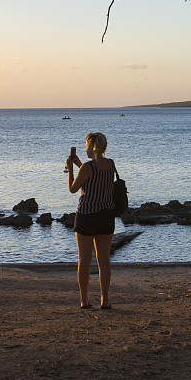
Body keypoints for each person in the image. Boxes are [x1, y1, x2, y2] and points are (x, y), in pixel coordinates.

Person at [66, 131, 116, 310]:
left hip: (87, 216)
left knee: (84, 260)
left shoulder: (87, 167)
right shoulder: (110, 164)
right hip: (106, 216)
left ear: (92, 146)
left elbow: (73, 188)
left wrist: (71, 168)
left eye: (87, 145)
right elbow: (92, 177)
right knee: (104, 260)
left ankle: (84, 300)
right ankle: (105, 300)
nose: (85, 148)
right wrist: (79, 163)